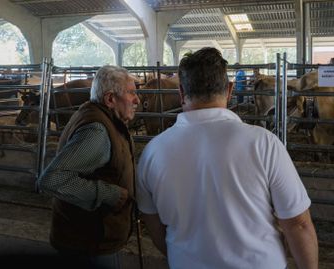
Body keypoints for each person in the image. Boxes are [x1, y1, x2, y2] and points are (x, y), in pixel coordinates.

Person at [136, 47, 318, 269]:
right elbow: (298, 224)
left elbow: (154, 227)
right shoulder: (263, 143)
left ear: (181, 93)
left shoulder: (152, 152)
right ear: (230, 90)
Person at [38, 65, 140, 269]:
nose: (137, 100)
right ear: (110, 99)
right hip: (89, 245)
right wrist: (109, 194)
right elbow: (51, 179)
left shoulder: (100, 118)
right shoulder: (96, 131)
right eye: (131, 93)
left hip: (92, 240)